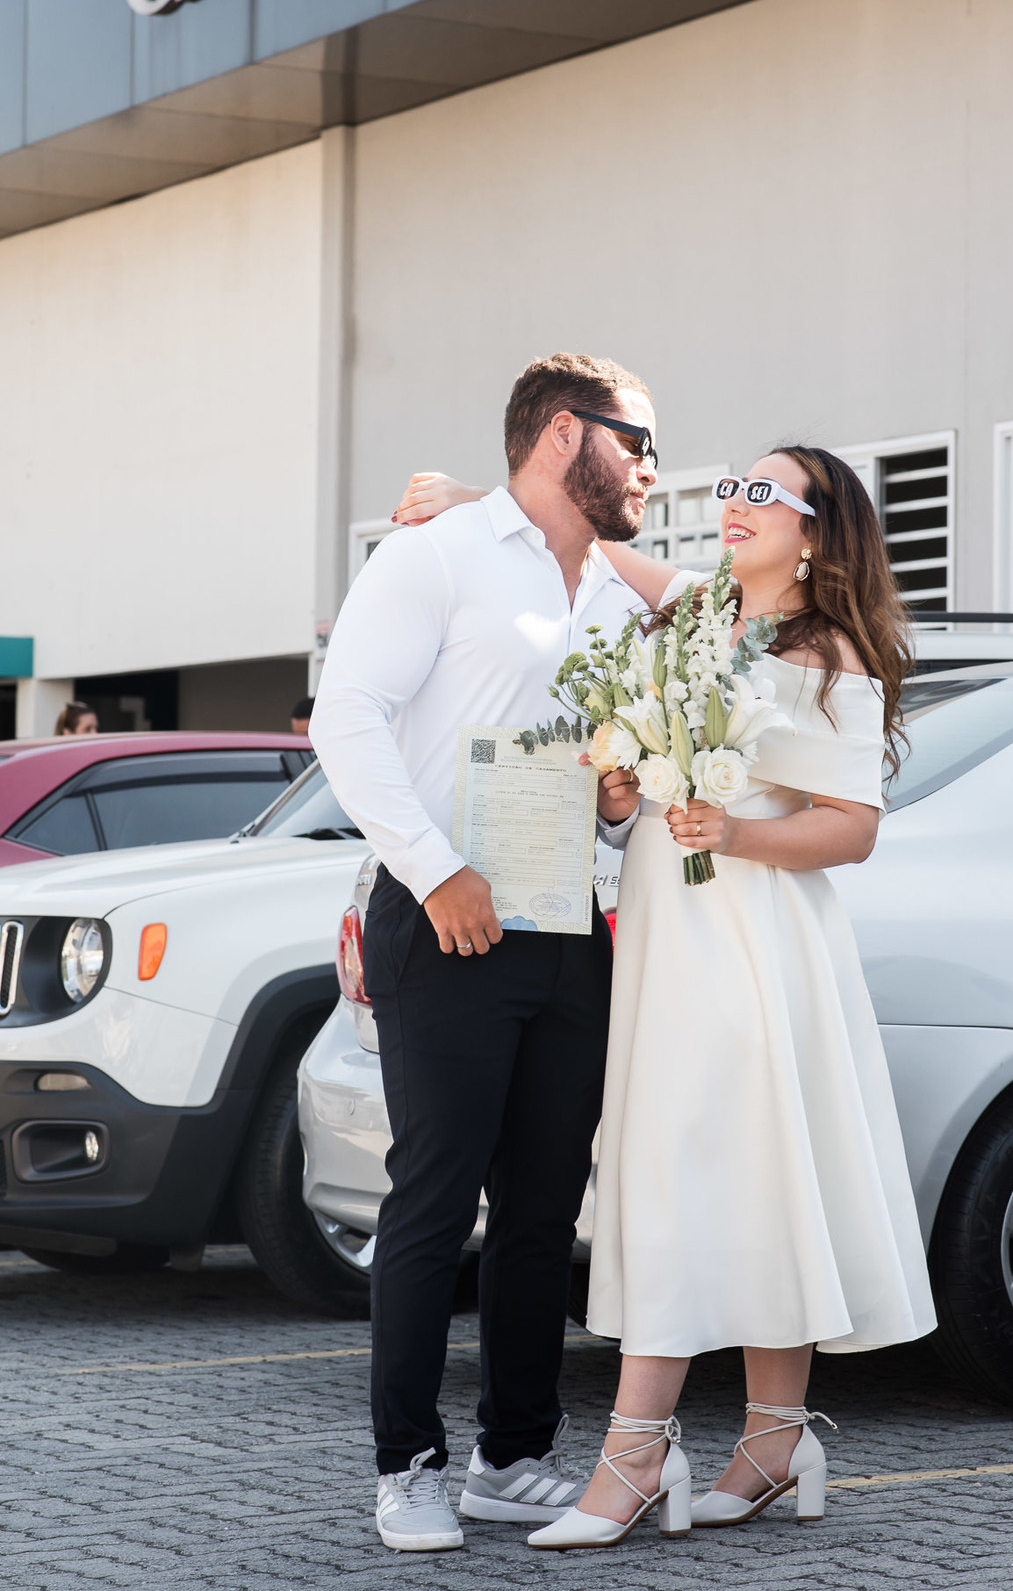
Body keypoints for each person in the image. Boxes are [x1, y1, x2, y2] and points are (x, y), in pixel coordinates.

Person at [394, 444, 937, 1551]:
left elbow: (854, 825)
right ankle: (777, 1437)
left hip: (752, 942)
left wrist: (732, 831)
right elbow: (593, 542)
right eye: (729, 486)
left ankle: (636, 1451)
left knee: (698, 1168)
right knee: (745, 1173)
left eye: (761, 494)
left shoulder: (827, 653)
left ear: (820, 531)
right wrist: (478, 511)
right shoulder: (701, 621)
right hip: (663, 932)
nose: (733, 504)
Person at [308, 354, 659, 1554]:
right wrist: (432, 868)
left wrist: (617, 803)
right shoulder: (436, 555)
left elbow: (609, 776)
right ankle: (407, 1464)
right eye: (638, 441)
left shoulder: (612, 593)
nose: (653, 469)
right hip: (446, 920)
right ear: (566, 434)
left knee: (543, 1212)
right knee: (432, 1198)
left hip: (569, 926)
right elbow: (345, 713)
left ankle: (515, 1458)